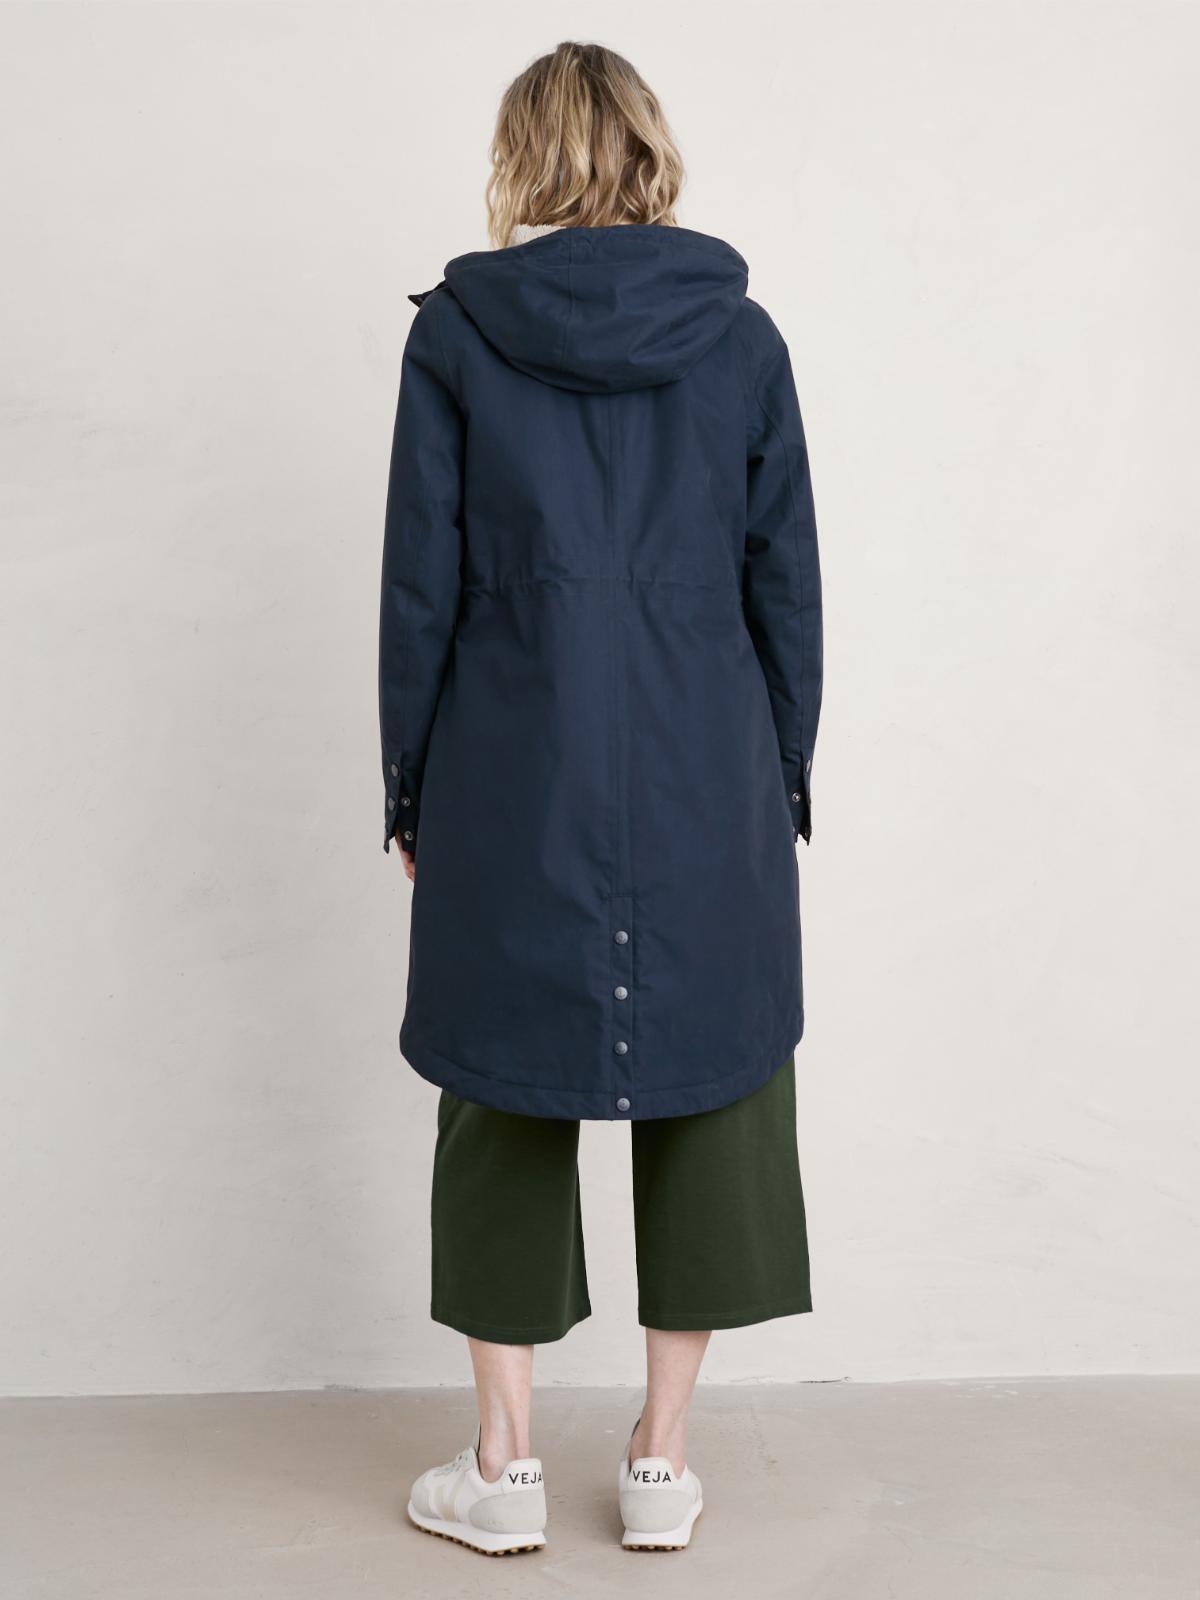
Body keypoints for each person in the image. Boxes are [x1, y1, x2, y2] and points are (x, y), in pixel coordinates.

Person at [378, 39, 823, 1555]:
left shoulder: (458, 336)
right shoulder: (741, 339)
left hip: (514, 765)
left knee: (500, 1079)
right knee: (713, 1073)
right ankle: (661, 1459)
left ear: (526, 157)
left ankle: (502, 1470)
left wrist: (411, 786)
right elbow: (786, 581)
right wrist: (781, 773)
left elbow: (420, 587)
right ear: (646, 149)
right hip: (707, 765)